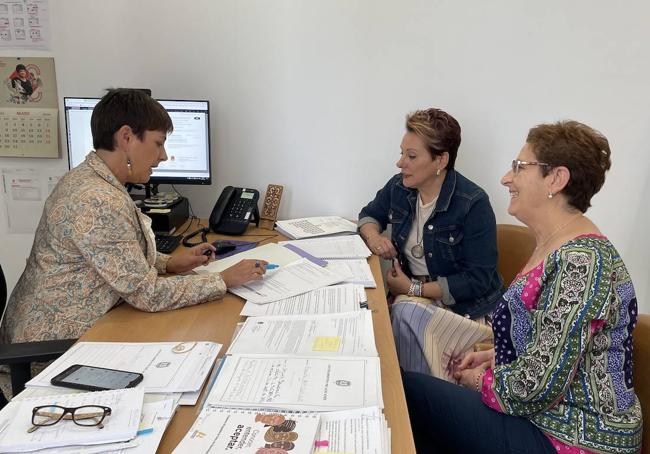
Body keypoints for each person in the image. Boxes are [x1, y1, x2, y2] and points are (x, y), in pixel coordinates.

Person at [403, 121, 642, 453]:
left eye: (519, 167)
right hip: (544, 418)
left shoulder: (582, 261)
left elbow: (535, 385)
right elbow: (548, 341)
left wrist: (480, 381)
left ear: (556, 179)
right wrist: (496, 357)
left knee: (403, 392)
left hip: (574, 439)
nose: (506, 178)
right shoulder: (557, 244)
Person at [0, 89, 268, 344]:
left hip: (80, 326)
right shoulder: (96, 199)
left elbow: (116, 256)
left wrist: (169, 264)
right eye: (158, 143)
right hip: (52, 346)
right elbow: (148, 294)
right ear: (126, 137)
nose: (163, 156)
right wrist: (223, 279)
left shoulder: (92, 179)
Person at [358, 108, 503, 378]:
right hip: (412, 299)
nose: (400, 163)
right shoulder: (399, 188)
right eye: (402, 153)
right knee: (371, 315)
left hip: (465, 311)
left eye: (411, 156)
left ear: (441, 160)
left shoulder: (473, 203)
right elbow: (368, 216)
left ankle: (417, 403)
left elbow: (478, 279)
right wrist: (375, 238)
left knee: (403, 314)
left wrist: (413, 289)